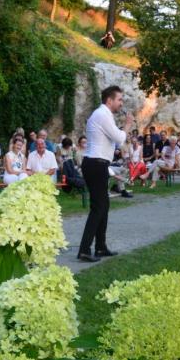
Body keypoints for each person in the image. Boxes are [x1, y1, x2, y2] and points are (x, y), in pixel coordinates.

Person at [78, 85, 134, 262]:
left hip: (98, 164)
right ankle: (85, 250)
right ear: (109, 100)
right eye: (119, 99)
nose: (121, 103)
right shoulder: (102, 114)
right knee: (98, 208)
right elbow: (119, 138)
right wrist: (127, 125)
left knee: (104, 206)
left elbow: (115, 141)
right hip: (95, 164)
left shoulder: (104, 115)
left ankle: (100, 247)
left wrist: (122, 129)